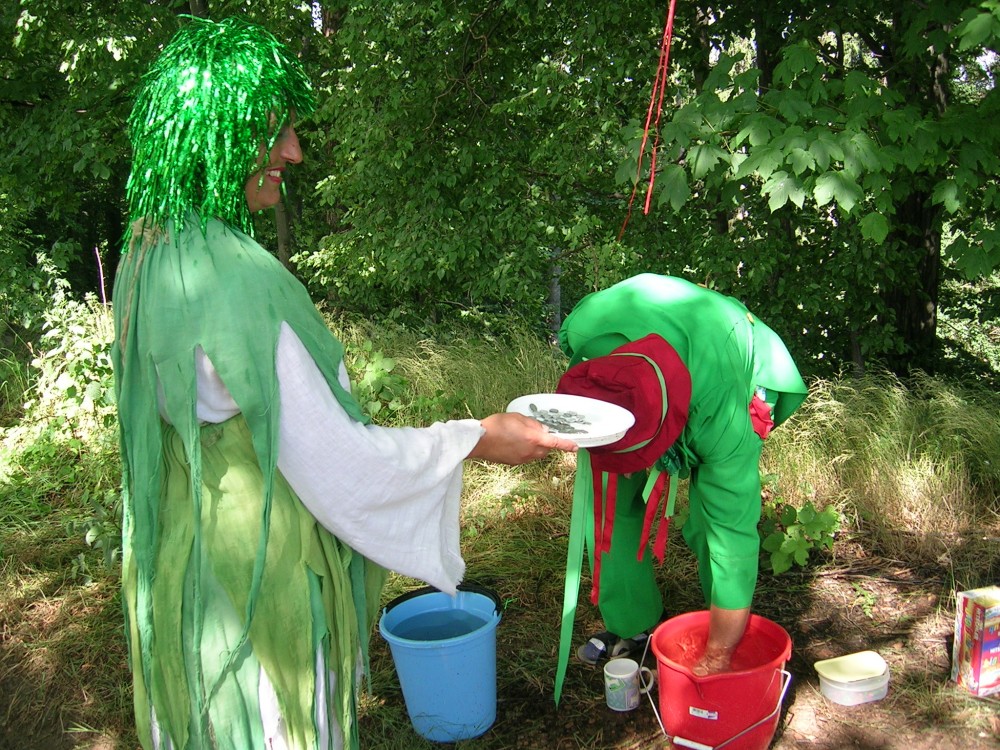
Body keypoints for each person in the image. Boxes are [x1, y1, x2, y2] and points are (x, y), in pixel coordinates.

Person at [111, 17, 576, 750]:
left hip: (186, 573)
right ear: (210, 135)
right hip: (257, 587)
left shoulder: (147, 252)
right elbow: (341, 465)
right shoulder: (238, 282)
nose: (293, 150)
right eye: (271, 130)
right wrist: (478, 438)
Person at [551, 273, 807, 699]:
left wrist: (719, 654)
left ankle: (723, 630)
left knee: (715, 523)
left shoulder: (722, 419)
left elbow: (733, 533)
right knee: (610, 503)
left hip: (728, 358)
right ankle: (631, 623)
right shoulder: (584, 330)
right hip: (650, 364)